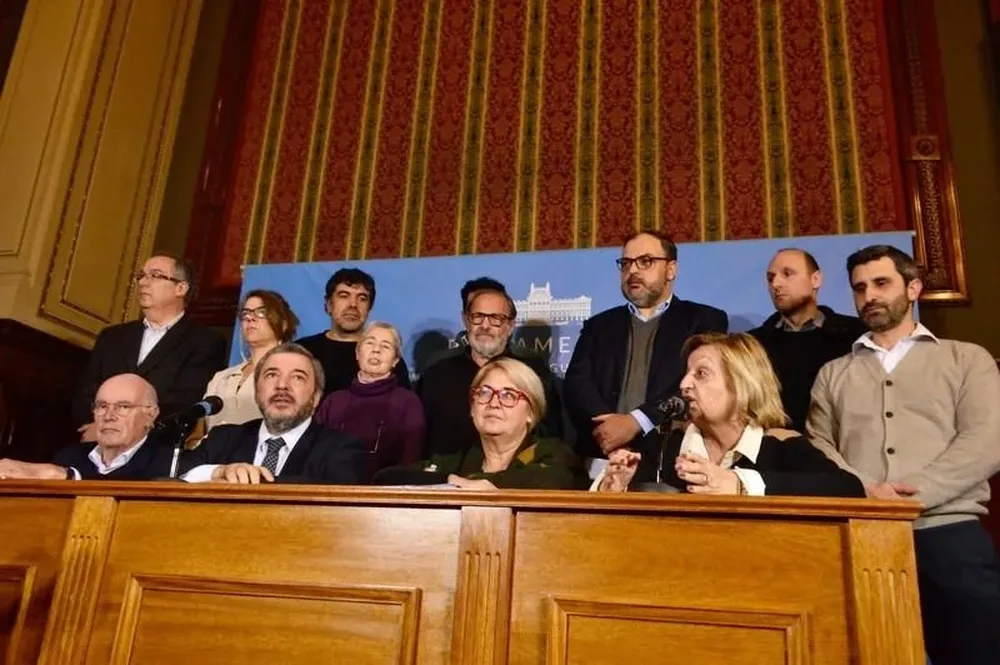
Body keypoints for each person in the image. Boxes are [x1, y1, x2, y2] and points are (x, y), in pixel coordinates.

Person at [806, 245, 1000, 665]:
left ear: (912, 288)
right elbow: (819, 446)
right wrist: (865, 491)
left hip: (949, 534)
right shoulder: (833, 373)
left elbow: (986, 442)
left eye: (881, 283)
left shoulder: (967, 360)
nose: (869, 295)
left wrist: (915, 495)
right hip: (861, 538)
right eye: (859, 288)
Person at [594, 333, 863, 497]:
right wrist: (615, 490)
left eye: (701, 373)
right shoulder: (662, 444)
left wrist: (740, 484)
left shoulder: (782, 447)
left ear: (741, 384)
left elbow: (848, 489)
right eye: (686, 373)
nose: (684, 384)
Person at [564, 231, 728, 472]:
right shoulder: (599, 325)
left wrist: (637, 421)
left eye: (645, 261)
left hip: (674, 461)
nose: (632, 271)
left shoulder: (704, 320)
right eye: (626, 263)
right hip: (602, 458)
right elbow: (577, 384)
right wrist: (610, 429)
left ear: (671, 270)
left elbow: (701, 385)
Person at [72, 254, 226, 441]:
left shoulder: (204, 341)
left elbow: (185, 402)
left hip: (155, 449)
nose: (143, 282)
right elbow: (86, 394)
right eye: (142, 275)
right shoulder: (112, 337)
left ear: (181, 288)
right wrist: (102, 428)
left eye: (155, 275)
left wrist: (125, 430)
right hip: (97, 443)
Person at [377, 357, 580, 489]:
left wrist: (484, 483)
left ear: (531, 411)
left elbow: (558, 481)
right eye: (484, 393)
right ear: (473, 408)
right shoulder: (458, 460)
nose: (493, 403)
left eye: (508, 395)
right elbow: (386, 478)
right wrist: (451, 482)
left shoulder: (554, 454)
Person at [180, 343, 365, 485]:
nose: (282, 385)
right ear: (257, 390)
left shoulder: (340, 449)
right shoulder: (224, 438)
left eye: (298, 377)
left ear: (316, 397)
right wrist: (219, 472)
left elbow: (337, 499)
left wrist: (255, 482)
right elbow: (175, 475)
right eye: (271, 375)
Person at [417, 279, 562, 457]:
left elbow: (549, 436)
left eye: (495, 319)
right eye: (478, 317)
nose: (485, 326)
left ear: (510, 326)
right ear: (466, 320)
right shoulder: (438, 373)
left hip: (513, 477)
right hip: (445, 477)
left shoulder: (533, 371)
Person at [748, 248, 867, 431]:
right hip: (775, 450)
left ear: (816, 279)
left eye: (787, 274)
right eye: (771, 278)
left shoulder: (856, 336)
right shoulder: (752, 344)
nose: (776, 284)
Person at [0, 374, 172, 480]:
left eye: (123, 407)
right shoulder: (69, 457)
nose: (109, 416)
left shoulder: (169, 462)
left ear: (150, 414)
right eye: (102, 406)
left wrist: (70, 477)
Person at [314, 322, 424, 482]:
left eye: (385, 346)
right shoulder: (334, 401)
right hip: (333, 491)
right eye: (370, 343)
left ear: (395, 360)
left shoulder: (407, 403)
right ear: (357, 353)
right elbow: (316, 453)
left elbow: (410, 459)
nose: (376, 350)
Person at [296, 268, 411, 397]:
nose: (353, 305)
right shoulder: (302, 351)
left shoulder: (385, 356)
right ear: (329, 304)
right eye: (344, 296)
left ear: (369, 308)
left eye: (362, 298)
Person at [202, 290, 299, 431]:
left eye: (261, 313)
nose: (250, 318)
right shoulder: (221, 377)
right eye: (246, 313)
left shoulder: (291, 373)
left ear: (283, 324)